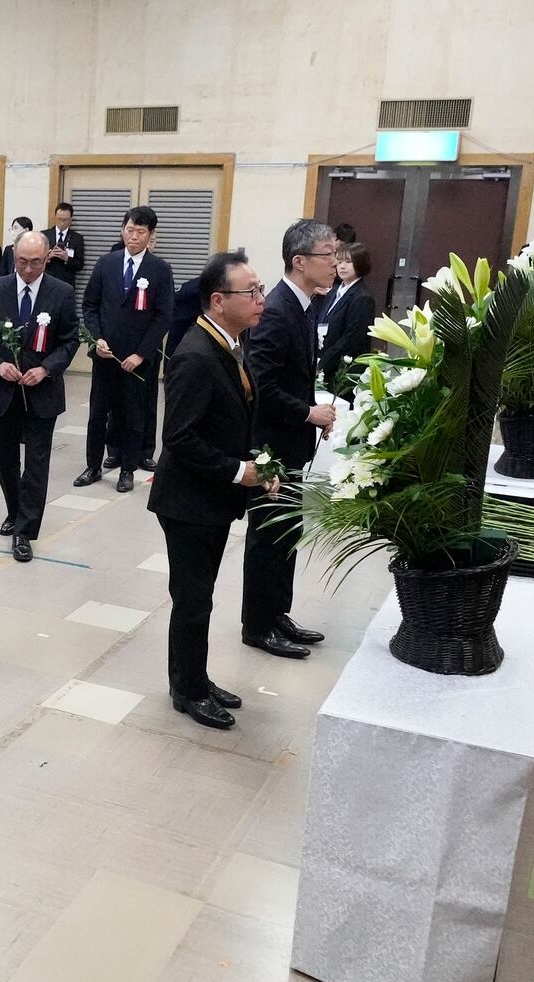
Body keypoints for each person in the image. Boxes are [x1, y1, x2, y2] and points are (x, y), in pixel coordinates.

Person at [148, 250, 273, 731]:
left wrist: (258, 465)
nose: (261, 299)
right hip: (188, 502)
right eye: (252, 292)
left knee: (199, 596)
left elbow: (233, 419)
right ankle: (188, 690)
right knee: (194, 598)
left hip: (209, 498)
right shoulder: (196, 354)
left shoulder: (229, 344)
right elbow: (179, 437)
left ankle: (193, 676)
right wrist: (237, 472)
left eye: (260, 290)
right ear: (218, 301)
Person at [241, 218, 339, 658]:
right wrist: (307, 412)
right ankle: (257, 624)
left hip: (292, 439)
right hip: (272, 445)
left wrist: (313, 411)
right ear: (300, 262)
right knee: (268, 535)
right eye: (327, 255)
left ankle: (277, 612)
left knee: (288, 532)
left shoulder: (303, 304)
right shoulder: (278, 308)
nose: (335, 263)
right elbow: (260, 381)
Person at [0, 231, 78, 562]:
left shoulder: (61, 293)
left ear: (47, 259)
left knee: (36, 462)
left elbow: (69, 340)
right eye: (21, 262)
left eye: (35, 263)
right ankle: (15, 510)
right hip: (4, 389)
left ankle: (25, 531)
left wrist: (46, 369)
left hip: (42, 392)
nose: (28, 270)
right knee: (4, 457)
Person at [76, 205, 175, 492]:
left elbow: (163, 316)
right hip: (106, 355)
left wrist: (141, 353)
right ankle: (93, 465)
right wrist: (97, 339)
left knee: (133, 415)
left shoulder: (159, 269)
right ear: (122, 230)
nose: (133, 237)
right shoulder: (106, 263)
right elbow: (90, 305)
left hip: (136, 358)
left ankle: (128, 469)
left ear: (151, 235)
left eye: (140, 232)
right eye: (129, 230)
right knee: (98, 412)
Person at [317, 241, 377, 392]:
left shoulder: (362, 297)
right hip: (324, 357)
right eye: (340, 261)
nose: (342, 266)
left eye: (349, 262)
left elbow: (351, 339)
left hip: (344, 368)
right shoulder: (333, 291)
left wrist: (323, 362)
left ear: (360, 263)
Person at [42, 202, 84, 286]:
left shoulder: (77, 238)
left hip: (67, 283)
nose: (62, 222)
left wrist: (66, 258)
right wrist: (48, 257)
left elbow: (79, 265)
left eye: (65, 219)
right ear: (55, 217)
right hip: (46, 281)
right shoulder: (44, 235)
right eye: (59, 219)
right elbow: (36, 260)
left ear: (71, 219)